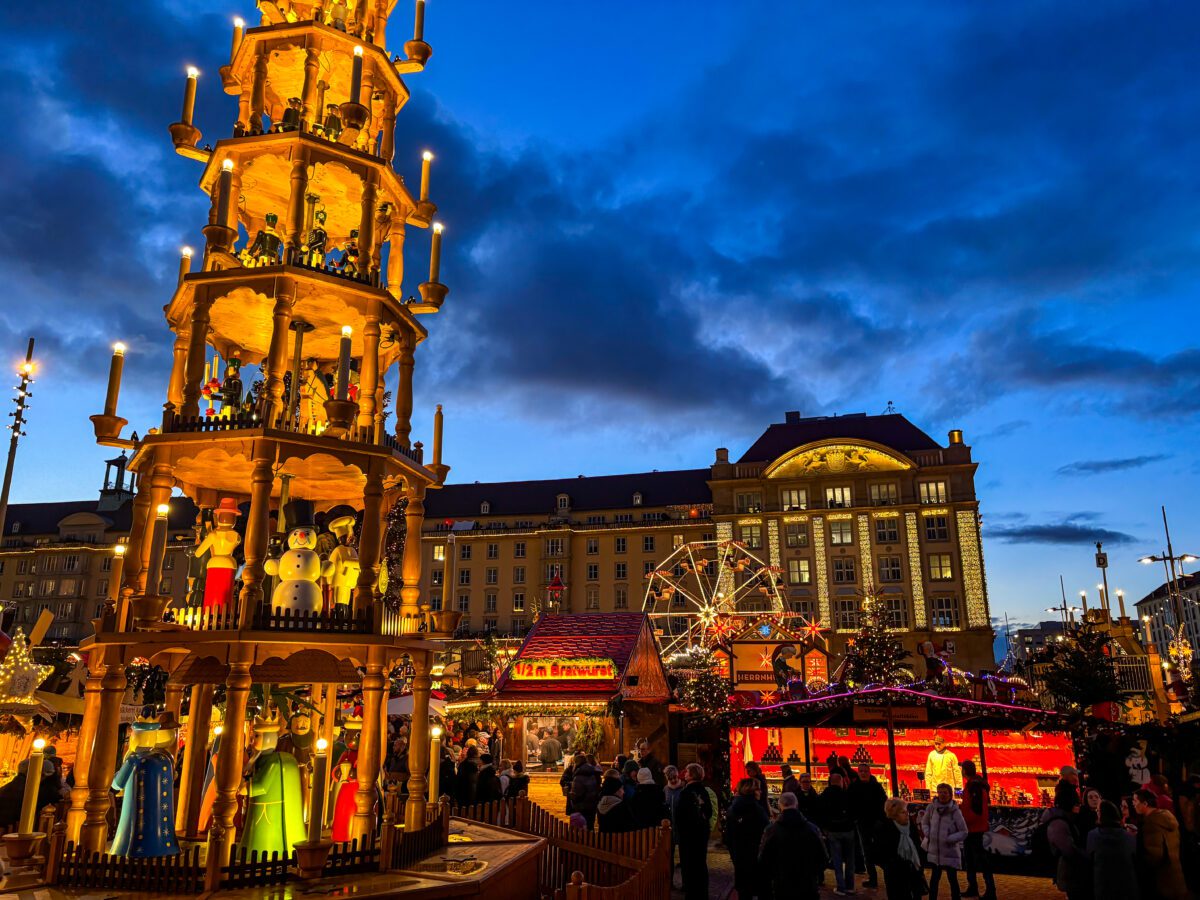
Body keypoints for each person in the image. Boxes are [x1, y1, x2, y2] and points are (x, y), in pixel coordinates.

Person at [759, 791, 826, 900]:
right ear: (796, 804)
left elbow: (763, 859)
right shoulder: (812, 829)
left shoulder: (772, 830)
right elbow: (823, 857)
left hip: (782, 884)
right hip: (807, 884)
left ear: (780, 806)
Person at [1133, 788, 1188, 899]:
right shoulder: (1166, 817)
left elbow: (1154, 856)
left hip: (1162, 883)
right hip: (1175, 878)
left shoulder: (1151, 823)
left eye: (1135, 801)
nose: (1133, 804)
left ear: (1145, 803)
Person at [1043, 784, 1091, 900]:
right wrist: (1087, 858)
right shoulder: (1059, 823)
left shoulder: (1062, 819)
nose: (1079, 807)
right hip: (1068, 871)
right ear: (1070, 804)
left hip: (1069, 871)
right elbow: (1069, 850)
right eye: (1076, 804)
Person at [922, 782, 968, 900]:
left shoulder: (955, 811)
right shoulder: (932, 808)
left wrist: (949, 839)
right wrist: (929, 834)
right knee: (934, 879)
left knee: (952, 879)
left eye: (945, 792)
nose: (942, 795)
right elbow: (925, 823)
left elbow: (964, 831)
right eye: (940, 792)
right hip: (935, 852)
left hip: (949, 852)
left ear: (950, 794)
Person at [724, 778, 769, 900]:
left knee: (744, 892)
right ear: (752, 791)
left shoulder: (732, 809)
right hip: (756, 859)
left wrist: (734, 855)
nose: (761, 792)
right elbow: (766, 835)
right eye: (758, 789)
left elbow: (728, 837)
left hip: (739, 858)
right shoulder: (757, 810)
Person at [875, 797, 926, 900]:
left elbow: (917, 845)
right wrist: (891, 865)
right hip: (895, 874)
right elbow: (879, 853)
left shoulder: (910, 825)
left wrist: (920, 862)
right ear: (894, 814)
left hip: (914, 871)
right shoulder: (885, 828)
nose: (907, 814)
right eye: (903, 812)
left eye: (906, 811)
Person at [675, 762, 713, 900]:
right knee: (700, 863)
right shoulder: (703, 791)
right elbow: (708, 811)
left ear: (691, 775)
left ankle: (692, 893)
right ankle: (702, 893)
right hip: (701, 833)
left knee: (689, 864)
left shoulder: (685, 792)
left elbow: (680, 814)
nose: (684, 774)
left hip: (688, 834)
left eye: (686, 772)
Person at [1087, 800, 1138, 900]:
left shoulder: (1093, 835)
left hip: (1103, 883)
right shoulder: (1128, 836)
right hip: (1127, 883)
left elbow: (1090, 858)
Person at [959, 760, 995, 900]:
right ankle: (974, 887)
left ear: (965, 771)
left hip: (973, 827)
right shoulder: (978, 784)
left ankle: (989, 889)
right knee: (971, 859)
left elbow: (975, 810)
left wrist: (963, 819)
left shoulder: (973, 786)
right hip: (975, 826)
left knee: (979, 859)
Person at [848, 763, 887, 889]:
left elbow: (884, 804)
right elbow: (851, 805)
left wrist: (880, 820)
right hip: (862, 824)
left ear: (869, 772)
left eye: (865, 771)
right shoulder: (854, 787)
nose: (863, 773)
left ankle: (883, 877)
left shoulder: (876, 787)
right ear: (858, 772)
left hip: (876, 824)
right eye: (861, 771)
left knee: (878, 850)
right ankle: (873, 878)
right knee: (867, 852)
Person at [822, 771, 858, 895]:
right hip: (848, 830)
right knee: (849, 859)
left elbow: (822, 812)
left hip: (833, 831)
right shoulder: (847, 794)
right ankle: (850, 886)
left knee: (837, 859)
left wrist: (825, 827)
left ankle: (841, 886)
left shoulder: (825, 795)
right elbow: (854, 812)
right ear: (841, 782)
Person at [569, 752, 601, 830]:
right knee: (590, 827)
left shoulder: (579, 776)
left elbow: (576, 795)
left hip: (581, 807)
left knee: (581, 830)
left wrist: (570, 794)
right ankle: (591, 841)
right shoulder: (592, 772)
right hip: (592, 806)